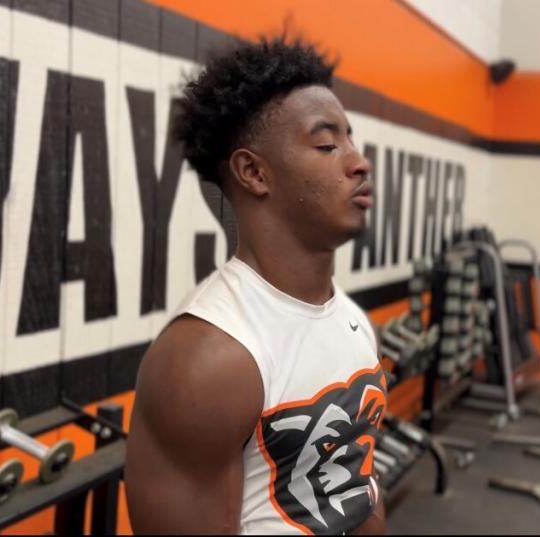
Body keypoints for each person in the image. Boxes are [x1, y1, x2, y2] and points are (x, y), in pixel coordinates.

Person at [125, 36, 386, 534]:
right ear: (253, 172)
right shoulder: (208, 360)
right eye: (328, 144)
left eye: (351, 140)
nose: (358, 162)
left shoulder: (352, 322)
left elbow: (360, 489)